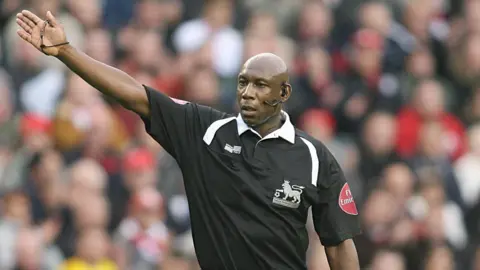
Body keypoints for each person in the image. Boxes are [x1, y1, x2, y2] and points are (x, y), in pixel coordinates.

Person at [15, 10, 361, 270]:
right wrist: (67, 52)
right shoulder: (206, 130)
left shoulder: (315, 157)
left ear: (283, 92)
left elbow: (338, 244)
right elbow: (137, 95)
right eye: (243, 83)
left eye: (260, 85)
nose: (248, 93)